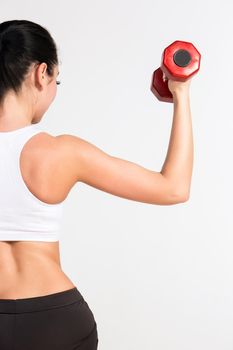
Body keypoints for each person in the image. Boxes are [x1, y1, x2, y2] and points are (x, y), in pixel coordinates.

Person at [0, 20, 193, 350]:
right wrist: (181, 94)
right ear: (40, 73)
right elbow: (173, 187)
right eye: (55, 80)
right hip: (57, 321)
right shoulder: (60, 152)